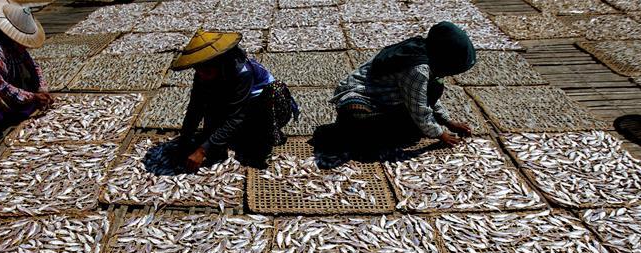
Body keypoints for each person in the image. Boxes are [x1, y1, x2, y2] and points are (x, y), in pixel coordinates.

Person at [329, 21, 477, 153]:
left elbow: (427, 97)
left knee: (432, 91)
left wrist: (446, 121)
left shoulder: (426, 49)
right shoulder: (418, 69)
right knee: (361, 122)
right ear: (444, 59)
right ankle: (352, 131)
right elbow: (419, 107)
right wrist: (439, 134)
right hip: (361, 94)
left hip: (389, 96)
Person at [170, 30, 299, 170]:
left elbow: (236, 117)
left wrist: (202, 150)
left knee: (273, 94)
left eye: (206, 70)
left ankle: (262, 141)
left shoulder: (242, 72)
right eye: (198, 69)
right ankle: (232, 137)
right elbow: (195, 108)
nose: (201, 74)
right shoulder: (203, 73)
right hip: (238, 104)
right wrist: (184, 140)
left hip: (263, 107)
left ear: (218, 62)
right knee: (212, 135)